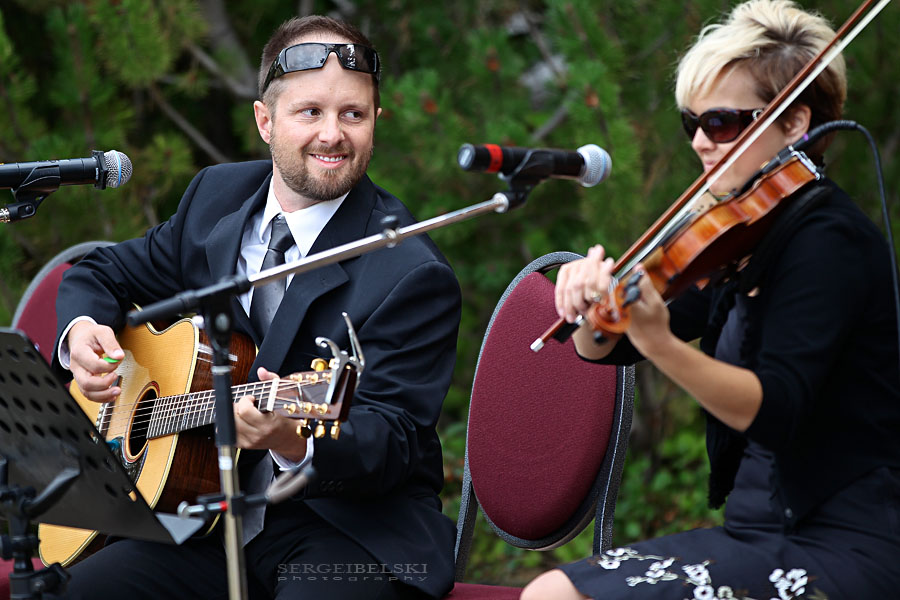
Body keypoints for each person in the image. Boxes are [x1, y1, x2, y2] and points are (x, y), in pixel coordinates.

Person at [49, 15, 460, 600]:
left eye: (353, 114)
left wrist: (295, 440)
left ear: (375, 123)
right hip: (205, 519)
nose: (333, 134)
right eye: (309, 112)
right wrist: (84, 330)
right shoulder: (214, 197)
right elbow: (102, 271)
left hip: (342, 534)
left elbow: (391, 441)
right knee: (82, 593)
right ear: (265, 122)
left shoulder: (410, 271)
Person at [522, 1, 900, 599]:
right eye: (691, 123)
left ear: (796, 122)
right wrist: (593, 308)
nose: (701, 142)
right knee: (550, 592)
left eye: (724, 123)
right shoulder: (741, 236)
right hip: (756, 531)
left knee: (556, 595)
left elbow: (775, 408)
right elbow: (609, 350)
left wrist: (661, 344)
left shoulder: (829, 241)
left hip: (842, 541)